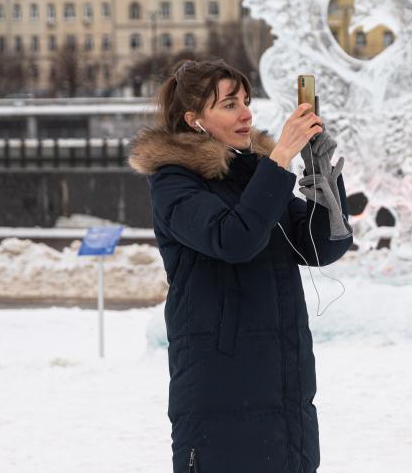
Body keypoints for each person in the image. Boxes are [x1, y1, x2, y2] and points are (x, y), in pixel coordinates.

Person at [128, 59, 353, 473]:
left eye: (246, 101)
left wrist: (320, 177)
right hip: (220, 392)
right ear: (194, 120)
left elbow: (319, 248)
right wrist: (280, 158)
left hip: (284, 384)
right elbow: (234, 240)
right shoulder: (174, 182)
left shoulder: (256, 172)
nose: (246, 113)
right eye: (229, 104)